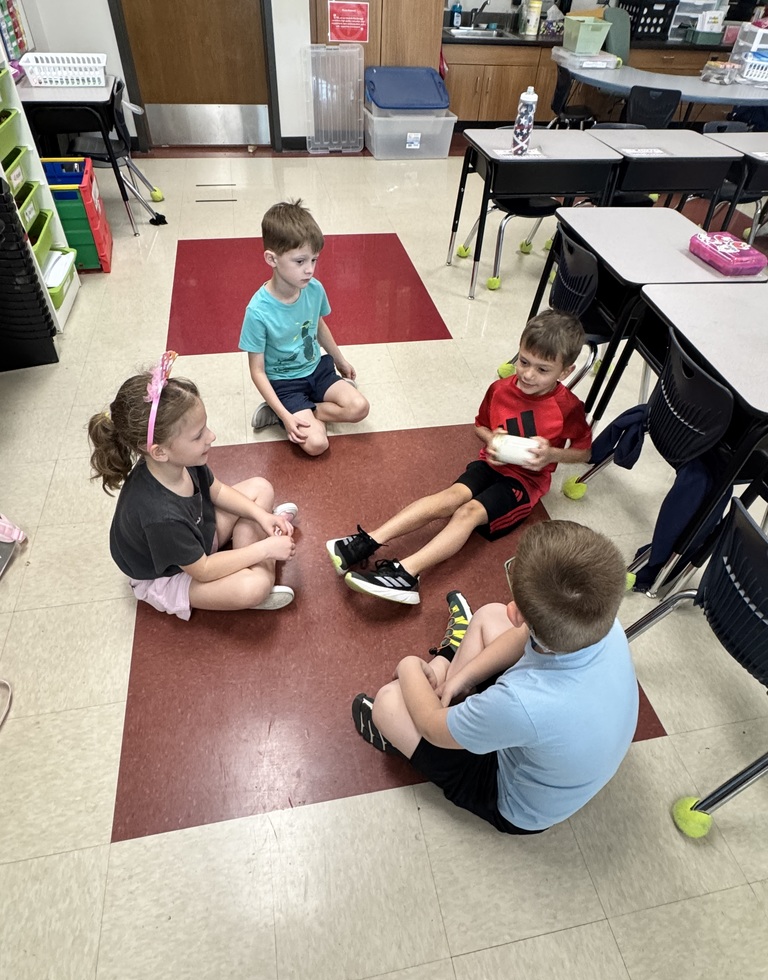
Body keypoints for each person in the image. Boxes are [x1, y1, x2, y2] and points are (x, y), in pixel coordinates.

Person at [352, 520, 638, 834]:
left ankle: (404, 721)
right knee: (488, 615)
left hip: (511, 800)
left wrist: (407, 666)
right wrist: (460, 680)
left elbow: (433, 729)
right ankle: (446, 668)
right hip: (558, 735)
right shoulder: (600, 620)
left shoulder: (520, 702)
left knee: (389, 702)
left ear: (518, 612)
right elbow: (521, 637)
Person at [326, 309, 592, 605]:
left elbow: (584, 452)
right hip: (491, 464)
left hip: (525, 483)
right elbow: (479, 425)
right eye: (523, 361)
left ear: (565, 372)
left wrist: (551, 454)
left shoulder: (568, 407)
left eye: (542, 370)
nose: (528, 374)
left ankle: (407, 574)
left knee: (468, 512)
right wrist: (492, 439)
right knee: (450, 497)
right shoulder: (500, 389)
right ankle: (369, 540)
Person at [88, 352, 298, 620]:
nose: (211, 437)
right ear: (160, 451)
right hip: (174, 573)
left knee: (261, 488)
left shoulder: (181, 459)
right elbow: (204, 569)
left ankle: (252, 557)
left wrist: (261, 516)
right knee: (254, 587)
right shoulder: (159, 516)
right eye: (198, 435)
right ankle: (257, 574)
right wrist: (266, 549)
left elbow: (217, 491)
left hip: (198, 534)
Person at [239, 198, 369, 457]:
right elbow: (257, 371)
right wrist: (286, 415)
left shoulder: (314, 289)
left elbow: (318, 325)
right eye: (300, 261)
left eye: (314, 260)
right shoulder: (257, 311)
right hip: (284, 383)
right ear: (271, 259)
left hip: (317, 370)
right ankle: (276, 412)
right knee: (317, 444)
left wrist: (340, 360)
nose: (309, 270)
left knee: (359, 407)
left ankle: (309, 409)